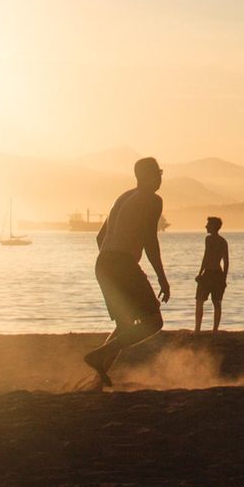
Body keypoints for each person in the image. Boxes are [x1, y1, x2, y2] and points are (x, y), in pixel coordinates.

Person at [84, 157, 171, 385]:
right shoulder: (152, 200)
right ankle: (99, 356)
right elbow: (150, 240)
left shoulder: (122, 198)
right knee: (154, 322)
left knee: (124, 325)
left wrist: (112, 260)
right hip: (120, 263)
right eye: (158, 174)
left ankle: (98, 378)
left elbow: (100, 237)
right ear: (146, 177)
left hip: (103, 263)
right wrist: (162, 277)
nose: (161, 178)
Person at [193, 217, 229, 333]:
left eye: (208, 224)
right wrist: (200, 273)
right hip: (210, 273)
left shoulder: (218, 241)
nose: (206, 226)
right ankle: (200, 329)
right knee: (201, 301)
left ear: (214, 226)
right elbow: (206, 257)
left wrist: (224, 279)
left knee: (215, 302)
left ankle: (211, 330)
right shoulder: (212, 240)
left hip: (214, 274)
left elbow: (225, 261)